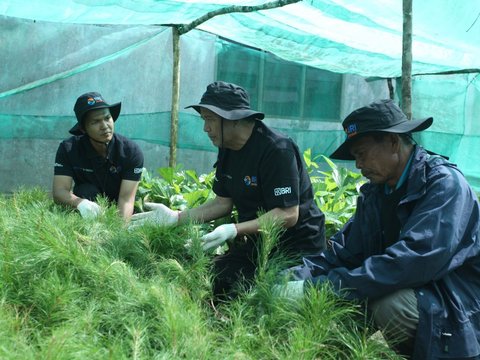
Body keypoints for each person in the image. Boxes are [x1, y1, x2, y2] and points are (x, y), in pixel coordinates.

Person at [275, 99, 480, 359]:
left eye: (361, 153)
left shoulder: (443, 185)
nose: (358, 165)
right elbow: (344, 253)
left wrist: (322, 287)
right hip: (415, 289)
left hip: (456, 302)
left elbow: (413, 261)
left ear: (393, 142)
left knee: (388, 305)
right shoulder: (376, 194)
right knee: (346, 294)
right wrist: (293, 277)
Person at [130, 81, 326, 299]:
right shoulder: (227, 148)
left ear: (234, 119)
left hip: (297, 249)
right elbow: (222, 202)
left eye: (210, 120)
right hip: (257, 246)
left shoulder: (276, 149)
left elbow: (288, 214)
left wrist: (233, 229)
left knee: (267, 297)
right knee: (208, 281)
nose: (205, 128)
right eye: (204, 120)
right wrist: (176, 217)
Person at [53, 92, 144, 220]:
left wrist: (118, 233)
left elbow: (126, 199)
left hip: (120, 206)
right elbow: (59, 191)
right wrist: (80, 203)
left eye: (107, 118)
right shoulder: (69, 149)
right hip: (89, 205)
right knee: (85, 191)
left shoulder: (130, 151)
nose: (104, 126)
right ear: (83, 129)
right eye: (95, 122)